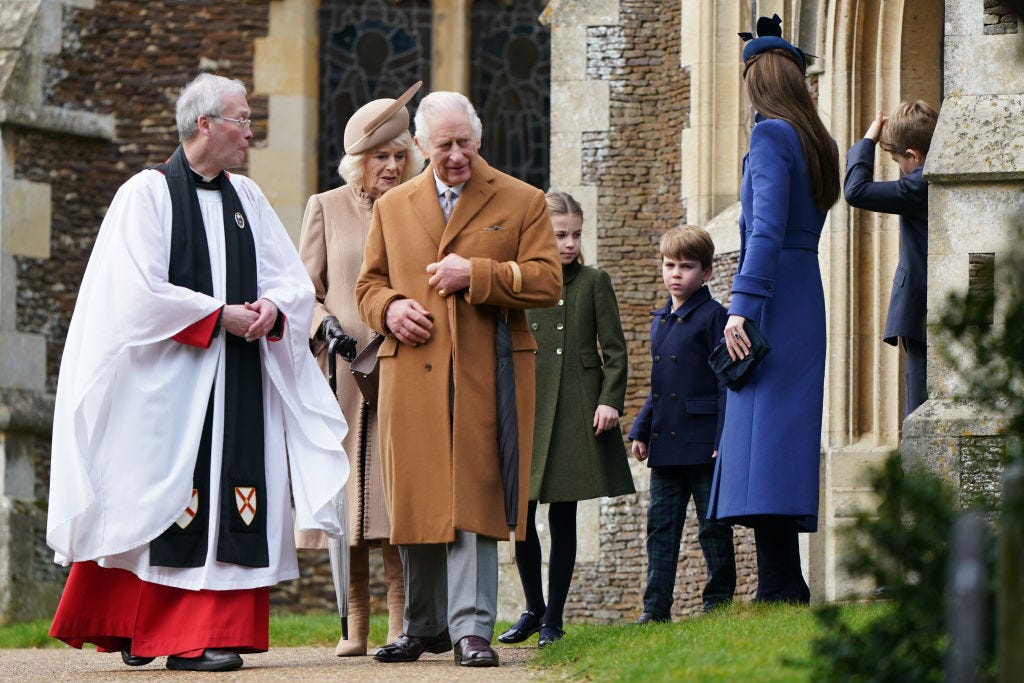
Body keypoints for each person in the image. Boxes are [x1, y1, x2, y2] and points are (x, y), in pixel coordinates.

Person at [46, 73, 349, 672]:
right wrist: (217, 315)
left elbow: (289, 280)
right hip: (166, 386)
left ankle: (196, 633)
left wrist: (269, 308)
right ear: (204, 125)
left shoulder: (249, 199)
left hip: (236, 381)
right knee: (156, 500)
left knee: (222, 499)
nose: (251, 131)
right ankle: (147, 629)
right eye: (242, 119)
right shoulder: (146, 194)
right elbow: (132, 293)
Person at [355, 90, 561, 668]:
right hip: (412, 374)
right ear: (420, 145)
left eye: (464, 142)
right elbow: (367, 286)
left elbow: (548, 281)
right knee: (419, 496)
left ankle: (473, 628)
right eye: (442, 145)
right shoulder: (392, 207)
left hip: (486, 370)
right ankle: (423, 626)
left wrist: (479, 273)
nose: (454, 155)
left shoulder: (523, 200)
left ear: (479, 138)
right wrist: (391, 308)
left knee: (474, 492)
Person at [708, 15, 840, 604]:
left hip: (772, 298)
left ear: (756, 81)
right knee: (779, 440)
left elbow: (763, 231)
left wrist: (740, 307)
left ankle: (779, 585)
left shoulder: (768, 136)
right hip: (803, 291)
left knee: (760, 442)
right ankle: (784, 580)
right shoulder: (815, 140)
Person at [296, 82, 424, 657]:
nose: (393, 167)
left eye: (400, 156)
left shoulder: (419, 209)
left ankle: (401, 619)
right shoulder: (325, 207)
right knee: (350, 492)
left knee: (397, 489)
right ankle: (356, 623)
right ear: (359, 162)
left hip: (402, 365)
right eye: (381, 157)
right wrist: (322, 324)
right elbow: (305, 291)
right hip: (344, 372)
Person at [498, 191, 634, 648]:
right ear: (540, 234)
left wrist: (610, 400)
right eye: (560, 235)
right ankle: (532, 610)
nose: (570, 243)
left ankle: (554, 617)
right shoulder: (519, 283)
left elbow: (615, 351)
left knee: (564, 516)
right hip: (527, 404)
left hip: (577, 406)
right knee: (520, 515)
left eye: (576, 234)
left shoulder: (595, 281)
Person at [629, 224, 736, 622]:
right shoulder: (661, 320)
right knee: (661, 530)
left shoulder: (716, 318)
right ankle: (655, 610)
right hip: (667, 444)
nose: (676, 274)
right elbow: (661, 386)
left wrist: (723, 438)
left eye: (687, 266)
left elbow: (726, 384)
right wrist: (641, 429)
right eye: (669, 265)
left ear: (706, 273)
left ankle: (717, 603)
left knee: (713, 528)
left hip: (705, 442)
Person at [844, 100, 938, 418]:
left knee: (921, 404)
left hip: (922, 306)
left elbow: (855, 191)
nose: (900, 167)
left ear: (913, 155)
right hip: (933, 304)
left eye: (898, 160)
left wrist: (868, 141)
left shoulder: (919, 183)